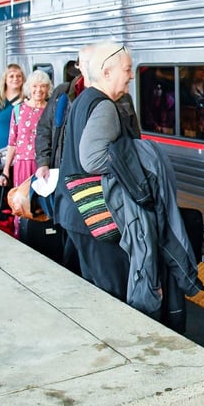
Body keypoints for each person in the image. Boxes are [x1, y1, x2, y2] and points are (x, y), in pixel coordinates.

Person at [54, 42, 137, 300]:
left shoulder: (83, 100)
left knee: (88, 287)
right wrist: (134, 164)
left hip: (76, 211)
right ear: (107, 72)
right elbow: (92, 160)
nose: (132, 75)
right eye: (127, 69)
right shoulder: (105, 106)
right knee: (112, 291)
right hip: (95, 217)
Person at [0, 69, 51, 190]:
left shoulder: (51, 110)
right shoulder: (18, 110)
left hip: (45, 164)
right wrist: (6, 169)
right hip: (23, 163)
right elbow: (12, 142)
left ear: (48, 89)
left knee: (42, 205)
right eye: (35, 86)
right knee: (23, 201)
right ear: (29, 88)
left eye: (43, 86)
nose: (38, 90)